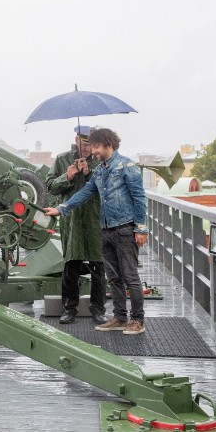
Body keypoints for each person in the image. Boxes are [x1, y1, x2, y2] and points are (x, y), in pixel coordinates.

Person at [43, 127, 149, 335]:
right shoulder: (100, 170)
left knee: (130, 277)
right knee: (114, 277)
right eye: (92, 146)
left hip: (125, 229)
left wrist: (141, 228)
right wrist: (60, 209)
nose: (94, 151)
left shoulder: (128, 166)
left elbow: (139, 198)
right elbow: (85, 192)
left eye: (97, 146)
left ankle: (137, 320)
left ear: (109, 145)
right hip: (106, 229)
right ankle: (120, 317)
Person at [46, 126, 106, 325]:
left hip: (94, 218)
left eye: (91, 144)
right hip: (71, 219)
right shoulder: (62, 159)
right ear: (76, 140)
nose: (88, 148)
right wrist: (68, 177)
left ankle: (98, 309)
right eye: (84, 143)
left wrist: (89, 174)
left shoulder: (100, 161)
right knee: (71, 263)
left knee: (98, 263)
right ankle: (69, 309)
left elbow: (105, 188)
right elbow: (51, 187)